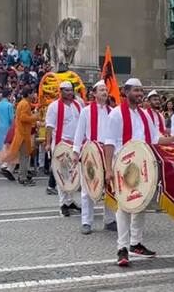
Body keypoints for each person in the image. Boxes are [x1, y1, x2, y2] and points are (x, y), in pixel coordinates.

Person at [104, 78, 174, 267]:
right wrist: (108, 169)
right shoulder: (116, 114)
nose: (140, 94)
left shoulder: (145, 115)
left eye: (141, 91)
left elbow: (156, 139)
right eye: (136, 90)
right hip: (123, 167)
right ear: (125, 92)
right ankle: (122, 248)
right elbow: (109, 143)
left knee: (141, 204)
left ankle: (136, 243)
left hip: (143, 166)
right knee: (124, 207)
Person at [72, 80, 116, 234]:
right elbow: (79, 132)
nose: (105, 92)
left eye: (106, 90)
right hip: (91, 152)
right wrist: (76, 151)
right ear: (94, 93)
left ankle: (110, 220)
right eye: (101, 90)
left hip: (108, 153)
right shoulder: (86, 111)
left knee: (110, 186)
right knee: (88, 187)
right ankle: (86, 221)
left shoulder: (112, 111)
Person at [45, 81, 82, 216]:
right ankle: (62, 204)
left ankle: (70, 201)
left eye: (71, 90)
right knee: (61, 174)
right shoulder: (53, 107)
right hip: (61, 145)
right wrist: (48, 143)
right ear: (60, 91)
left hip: (76, 145)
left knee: (73, 174)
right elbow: (49, 126)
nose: (69, 93)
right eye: (66, 90)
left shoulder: (78, 104)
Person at [10, 87, 39, 186]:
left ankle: (22, 175)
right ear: (29, 94)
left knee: (24, 157)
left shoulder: (23, 103)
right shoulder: (25, 104)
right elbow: (23, 118)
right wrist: (35, 117)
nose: (34, 95)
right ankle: (23, 177)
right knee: (24, 157)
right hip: (23, 134)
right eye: (33, 93)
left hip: (22, 133)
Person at [0, 90, 15, 180]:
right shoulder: (9, 105)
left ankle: (1, 164)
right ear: (9, 96)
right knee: (8, 146)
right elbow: (11, 118)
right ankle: (5, 165)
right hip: (8, 127)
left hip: (0, 127)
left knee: (1, 146)